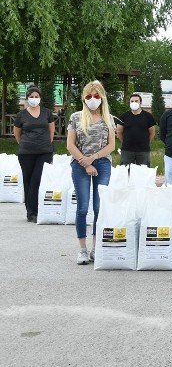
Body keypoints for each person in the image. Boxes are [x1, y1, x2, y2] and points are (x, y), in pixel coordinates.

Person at [66, 81, 116, 265]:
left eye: (96, 96)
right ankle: (82, 250)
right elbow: (70, 145)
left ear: (102, 98)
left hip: (102, 163)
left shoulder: (108, 118)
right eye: (89, 96)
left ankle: (96, 249)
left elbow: (111, 145)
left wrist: (93, 158)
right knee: (82, 207)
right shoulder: (76, 117)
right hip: (80, 164)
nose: (93, 99)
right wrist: (85, 163)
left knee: (98, 207)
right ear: (84, 98)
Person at [13, 85, 55, 223]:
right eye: (31, 96)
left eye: (36, 96)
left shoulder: (47, 112)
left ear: (40, 98)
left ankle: (37, 210)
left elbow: (51, 131)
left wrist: (46, 144)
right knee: (28, 180)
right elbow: (17, 133)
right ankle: (30, 212)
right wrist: (25, 144)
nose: (34, 99)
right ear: (27, 98)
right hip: (26, 153)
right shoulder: (21, 115)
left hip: (44, 152)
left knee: (37, 180)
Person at [116, 93, 156, 167]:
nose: (134, 103)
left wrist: (146, 142)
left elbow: (152, 132)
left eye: (136, 101)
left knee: (143, 172)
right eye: (132, 101)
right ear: (129, 103)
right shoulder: (123, 116)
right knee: (125, 171)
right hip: (127, 150)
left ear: (140, 103)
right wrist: (125, 142)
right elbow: (119, 132)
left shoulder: (148, 116)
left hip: (143, 150)